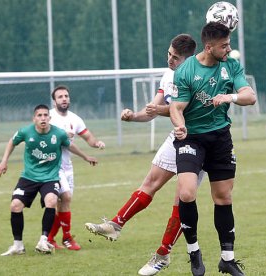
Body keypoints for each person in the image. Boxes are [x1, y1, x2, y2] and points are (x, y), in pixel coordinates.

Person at [84, 34, 201, 275]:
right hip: (176, 137)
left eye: (175, 58)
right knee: (150, 182)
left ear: (188, 60)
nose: (169, 60)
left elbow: (182, 108)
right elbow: (152, 109)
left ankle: (163, 253)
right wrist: (133, 116)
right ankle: (115, 225)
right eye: (168, 54)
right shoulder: (168, 75)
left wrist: (158, 110)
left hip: (198, 141)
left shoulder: (196, 75)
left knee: (182, 199)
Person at [169, 22, 256, 276]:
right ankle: (194, 253)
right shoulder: (185, 71)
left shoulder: (231, 65)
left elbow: (250, 97)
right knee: (186, 193)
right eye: (224, 46)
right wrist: (181, 126)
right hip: (191, 138)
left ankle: (227, 259)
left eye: (228, 44)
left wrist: (230, 97)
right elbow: (176, 107)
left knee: (223, 197)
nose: (228, 49)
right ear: (209, 47)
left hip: (220, 137)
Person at [0, 104, 97, 256]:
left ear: (49, 118)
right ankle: (18, 245)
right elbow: (12, 141)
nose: (43, 118)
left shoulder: (58, 134)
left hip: (50, 177)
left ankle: (44, 240)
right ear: (34, 118)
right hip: (29, 177)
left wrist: (86, 157)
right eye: (39, 115)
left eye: (45, 115)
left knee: (51, 201)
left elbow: (70, 146)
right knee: (15, 205)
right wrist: (4, 161)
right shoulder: (26, 131)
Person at [47, 85, 106, 251]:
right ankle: (66, 238)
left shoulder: (75, 119)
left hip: (67, 167)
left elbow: (88, 137)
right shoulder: (49, 117)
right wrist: (62, 136)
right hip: (53, 166)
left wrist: (96, 144)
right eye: (60, 97)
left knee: (64, 203)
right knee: (65, 198)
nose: (64, 99)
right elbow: (48, 138)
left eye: (66, 96)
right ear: (54, 100)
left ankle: (49, 239)